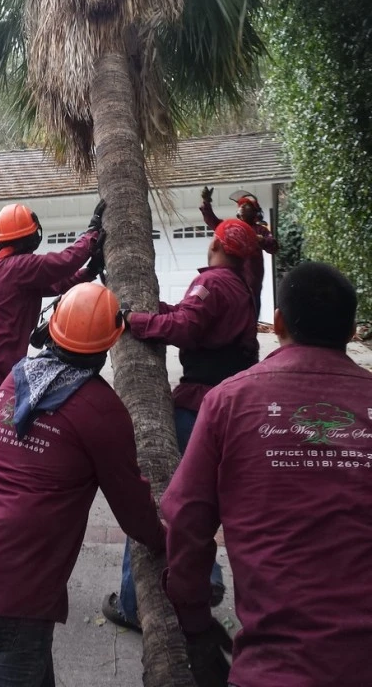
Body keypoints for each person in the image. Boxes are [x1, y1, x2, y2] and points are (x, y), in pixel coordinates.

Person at [0, 282, 165, 687]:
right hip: (20, 574)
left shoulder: (16, 379)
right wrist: (168, 541)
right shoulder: (101, 409)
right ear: (110, 342)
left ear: (52, 327)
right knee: (13, 661)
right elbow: (133, 508)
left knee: (27, 661)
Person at [161, 261, 372, 687]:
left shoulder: (228, 401)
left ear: (276, 323)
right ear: (352, 332)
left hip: (273, 668)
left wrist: (194, 619)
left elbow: (186, 521)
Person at [103, 218, 259, 631]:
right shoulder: (243, 287)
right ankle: (204, 577)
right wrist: (158, 311)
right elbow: (192, 317)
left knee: (159, 494)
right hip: (228, 401)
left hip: (197, 404)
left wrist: (136, 323)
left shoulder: (213, 283)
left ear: (215, 245)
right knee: (202, 499)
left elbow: (188, 326)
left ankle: (135, 604)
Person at [0, 199, 106, 542]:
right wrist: (91, 236)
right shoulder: (18, 267)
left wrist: (89, 272)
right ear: (31, 240)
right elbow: (60, 264)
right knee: (7, 474)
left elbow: (56, 283)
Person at [200, 186, 278, 316]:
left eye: (246, 206)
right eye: (240, 206)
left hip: (253, 283)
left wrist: (261, 240)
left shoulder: (261, 230)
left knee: (251, 313)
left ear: (254, 211)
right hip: (234, 279)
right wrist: (206, 203)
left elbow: (274, 247)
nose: (242, 207)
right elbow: (212, 221)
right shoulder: (233, 227)